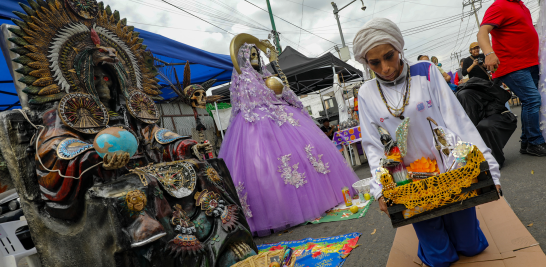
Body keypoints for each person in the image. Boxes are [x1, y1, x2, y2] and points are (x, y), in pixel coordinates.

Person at [353, 18, 500, 267]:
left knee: (471, 247)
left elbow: (458, 121)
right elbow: (373, 145)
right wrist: (380, 190)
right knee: (440, 259)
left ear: (399, 48)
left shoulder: (425, 71)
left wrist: (490, 171)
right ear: (366, 63)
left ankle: (459, 233)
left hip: (451, 170)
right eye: (374, 62)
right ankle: (433, 243)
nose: (386, 67)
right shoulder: (366, 93)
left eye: (389, 56)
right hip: (409, 183)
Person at [219, 37, 359, 237]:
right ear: (243, 59)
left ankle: (316, 200)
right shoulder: (244, 80)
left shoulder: (267, 77)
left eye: (256, 55)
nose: (255, 59)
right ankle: (280, 213)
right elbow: (247, 102)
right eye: (251, 56)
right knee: (263, 169)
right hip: (257, 125)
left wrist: (282, 93)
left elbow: (285, 94)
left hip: (282, 118)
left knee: (304, 157)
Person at [478, 0, 546, 156]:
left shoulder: (522, 6)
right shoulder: (499, 5)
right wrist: (489, 53)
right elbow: (482, 32)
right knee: (532, 99)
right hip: (513, 64)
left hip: (531, 63)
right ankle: (535, 142)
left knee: (530, 102)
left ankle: (527, 142)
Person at [456, 78, 517, 168]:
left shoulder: (464, 96)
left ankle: (493, 160)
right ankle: (487, 158)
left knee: (481, 128)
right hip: (494, 118)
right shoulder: (465, 93)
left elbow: (471, 123)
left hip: (501, 118)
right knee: (478, 128)